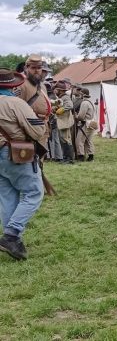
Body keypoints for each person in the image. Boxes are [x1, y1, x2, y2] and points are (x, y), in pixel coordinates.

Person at [0, 68, 47, 260]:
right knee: (34, 192)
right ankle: (11, 235)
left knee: (7, 196)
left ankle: (14, 241)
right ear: (12, 85)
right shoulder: (15, 103)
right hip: (14, 153)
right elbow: (37, 131)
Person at [52, 81, 75, 164]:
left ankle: (68, 159)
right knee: (65, 139)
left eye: (56, 89)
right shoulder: (62, 97)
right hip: (63, 121)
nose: (55, 91)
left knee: (65, 140)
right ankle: (67, 158)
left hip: (64, 121)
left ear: (60, 90)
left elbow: (70, 105)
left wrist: (60, 110)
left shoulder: (65, 97)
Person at [75, 88, 96, 161]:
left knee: (79, 140)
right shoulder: (91, 102)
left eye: (81, 93)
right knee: (89, 140)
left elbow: (81, 116)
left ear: (83, 94)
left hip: (85, 123)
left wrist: (76, 116)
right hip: (91, 123)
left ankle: (81, 156)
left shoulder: (84, 103)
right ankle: (91, 156)